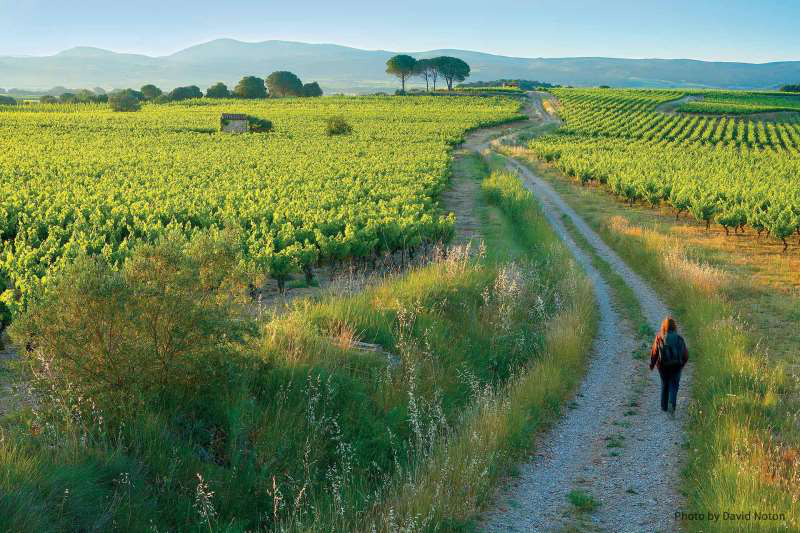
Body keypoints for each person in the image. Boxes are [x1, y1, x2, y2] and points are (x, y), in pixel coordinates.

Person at [649, 317, 688, 416]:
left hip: (663, 367)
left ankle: (664, 406)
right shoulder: (679, 338)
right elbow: (685, 355)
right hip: (676, 366)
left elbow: (654, 352)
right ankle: (672, 404)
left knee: (664, 384)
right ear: (674, 326)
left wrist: (652, 364)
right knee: (674, 385)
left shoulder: (659, 337)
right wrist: (682, 364)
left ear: (663, 326)